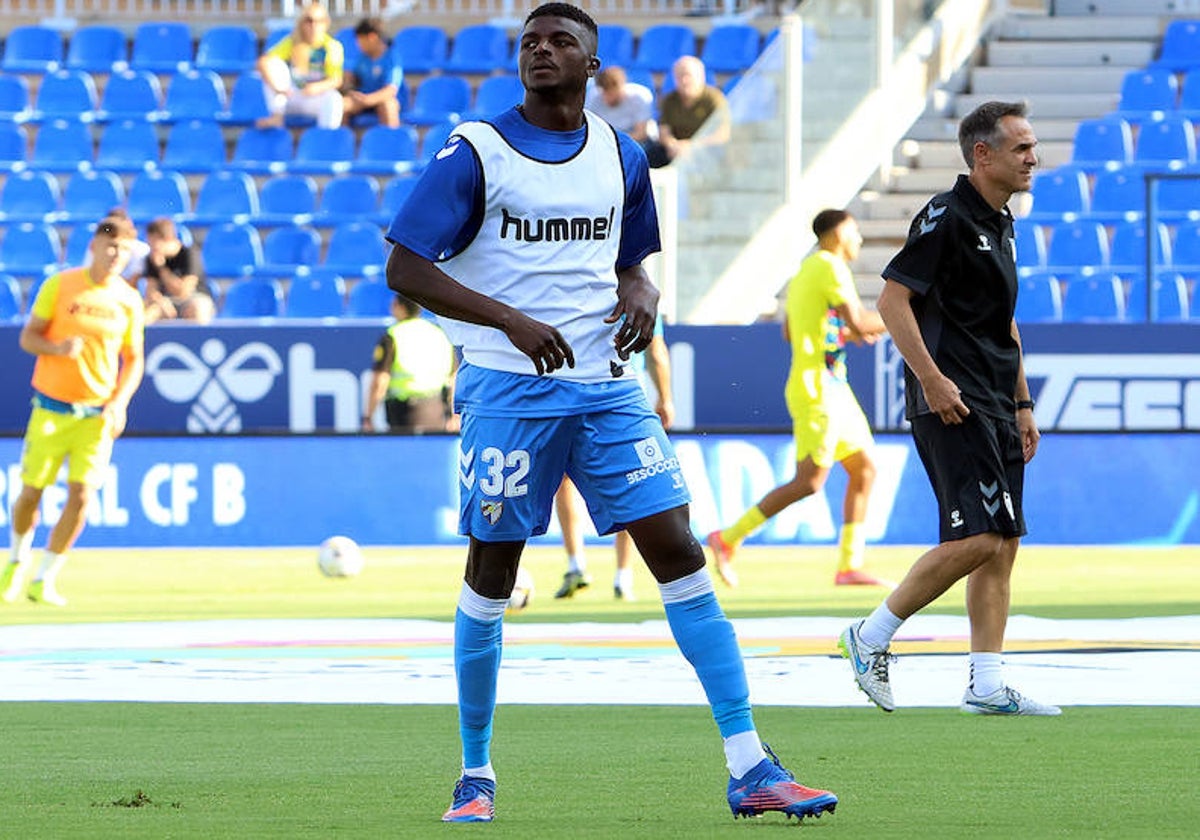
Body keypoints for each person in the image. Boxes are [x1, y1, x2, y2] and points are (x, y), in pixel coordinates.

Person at [383, 3, 837, 824]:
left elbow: (634, 265)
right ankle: (475, 772)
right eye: (530, 43)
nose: (541, 51)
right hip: (505, 387)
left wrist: (644, 292)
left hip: (607, 389)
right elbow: (405, 269)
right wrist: (509, 320)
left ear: (593, 66)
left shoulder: (621, 154)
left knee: (680, 550)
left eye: (560, 43)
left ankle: (750, 765)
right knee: (493, 573)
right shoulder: (475, 151)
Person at [838, 100, 1061, 717]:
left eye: (1033, 145)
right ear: (982, 155)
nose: (1033, 158)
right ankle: (869, 636)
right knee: (980, 535)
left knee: (1004, 540)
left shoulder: (1004, 221)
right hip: (953, 401)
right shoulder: (946, 215)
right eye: (1021, 147)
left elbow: (1004, 323)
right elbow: (892, 302)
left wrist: (1022, 403)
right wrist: (932, 380)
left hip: (996, 401)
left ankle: (986, 684)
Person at [707, 209, 891, 589]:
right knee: (810, 482)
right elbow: (858, 321)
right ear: (839, 232)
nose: (858, 240)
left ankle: (848, 566)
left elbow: (792, 330)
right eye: (855, 232)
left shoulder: (805, 270)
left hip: (832, 385)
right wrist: (906, 318)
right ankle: (727, 538)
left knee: (865, 468)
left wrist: (839, 334)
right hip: (818, 387)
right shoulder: (831, 266)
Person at [1, 214, 145, 607]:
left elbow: (134, 360)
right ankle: (16, 560)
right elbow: (28, 338)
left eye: (125, 249)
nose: (117, 255)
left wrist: (119, 402)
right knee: (31, 493)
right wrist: (57, 349)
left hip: (97, 416)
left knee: (82, 496)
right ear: (95, 246)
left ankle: (45, 578)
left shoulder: (129, 300)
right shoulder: (61, 286)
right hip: (51, 409)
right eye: (111, 245)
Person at [553, 323, 673, 601]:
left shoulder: (576, 288)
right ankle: (623, 576)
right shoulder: (638, 291)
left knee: (564, 479)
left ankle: (576, 565)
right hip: (622, 399)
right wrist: (666, 399)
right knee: (630, 482)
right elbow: (656, 352)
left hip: (569, 392)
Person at [362, 293, 457, 433]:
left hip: (404, 413)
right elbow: (454, 377)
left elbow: (380, 380)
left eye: (393, 304)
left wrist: (368, 417)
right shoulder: (439, 333)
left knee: (405, 454)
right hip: (436, 410)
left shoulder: (392, 335)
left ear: (400, 307)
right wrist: (455, 414)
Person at [257, 1, 344, 130]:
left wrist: (316, 87)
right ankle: (276, 115)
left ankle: (325, 137)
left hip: (314, 98)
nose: (313, 25)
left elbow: (336, 80)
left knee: (334, 99)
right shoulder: (292, 42)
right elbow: (265, 61)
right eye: (309, 21)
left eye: (318, 21)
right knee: (274, 65)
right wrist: (277, 89)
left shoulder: (332, 46)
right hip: (291, 96)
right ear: (302, 23)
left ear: (326, 23)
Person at [644, 54, 731, 169]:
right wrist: (672, 145)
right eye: (680, 76)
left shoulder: (715, 99)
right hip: (675, 149)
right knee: (650, 155)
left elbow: (722, 134)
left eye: (688, 75)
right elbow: (664, 130)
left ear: (701, 76)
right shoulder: (670, 100)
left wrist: (692, 146)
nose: (684, 80)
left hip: (705, 148)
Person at [141, 217, 214, 325]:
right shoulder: (151, 257)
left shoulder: (190, 254)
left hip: (194, 297)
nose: (152, 247)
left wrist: (161, 268)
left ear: (168, 239)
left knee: (197, 309)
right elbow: (151, 291)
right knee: (147, 313)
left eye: (155, 242)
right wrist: (160, 302)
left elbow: (183, 291)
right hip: (166, 301)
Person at [342, 17, 404, 128]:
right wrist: (348, 82)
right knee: (340, 106)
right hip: (362, 100)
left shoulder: (392, 58)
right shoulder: (362, 58)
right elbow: (354, 80)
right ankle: (340, 142)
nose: (358, 44)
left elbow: (390, 91)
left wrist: (367, 100)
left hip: (381, 100)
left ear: (372, 37)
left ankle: (391, 141)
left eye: (360, 40)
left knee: (388, 106)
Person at [584, 65, 653, 142]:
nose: (606, 98)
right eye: (604, 93)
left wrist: (615, 143)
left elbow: (641, 133)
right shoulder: (593, 97)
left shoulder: (640, 97)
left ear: (621, 86)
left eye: (611, 93)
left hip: (633, 143)